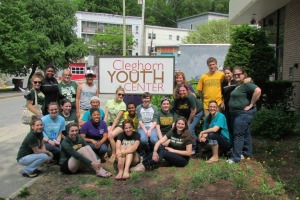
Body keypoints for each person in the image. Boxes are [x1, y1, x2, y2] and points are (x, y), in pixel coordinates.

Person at [227, 67, 261, 164]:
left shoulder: (246, 84)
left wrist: (251, 104)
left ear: (243, 74)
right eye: (235, 74)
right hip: (236, 113)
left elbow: (258, 90)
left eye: (239, 74)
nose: (236, 75)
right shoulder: (239, 85)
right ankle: (247, 153)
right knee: (245, 133)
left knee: (238, 134)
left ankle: (235, 158)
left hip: (242, 113)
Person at [173, 84, 203, 152]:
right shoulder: (177, 99)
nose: (182, 92)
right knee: (183, 128)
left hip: (197, 113)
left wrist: (188, 122)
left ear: (187, 90)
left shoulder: (190, 97)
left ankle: (195, 146)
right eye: (180, 91)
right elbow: (174, 110)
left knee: (189, 128)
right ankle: (193, 143)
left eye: (183, 90)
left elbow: (193, 111)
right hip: (187, 113)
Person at [104, 86, 126, 162]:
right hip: (111, 123)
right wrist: (104, 125)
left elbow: (117, 119)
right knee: (105, 133)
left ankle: (113, 153)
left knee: (110, 135)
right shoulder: (109, 102)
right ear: (116, 94)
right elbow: (106, 115)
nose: (121, 96)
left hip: (120, 124)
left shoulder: (123, 104)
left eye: (123, 95)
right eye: (119, 94)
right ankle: (104, 152)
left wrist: (111, 130)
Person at [220, 67, 236, 133]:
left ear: (232, 73)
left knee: (234, 125)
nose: (227, 75)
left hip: (234, 107)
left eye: (228, 73)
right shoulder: (224, 83)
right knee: (228, 125)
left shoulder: (236, 82)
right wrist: (223, 102)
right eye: (225, 73)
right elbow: (223, 94)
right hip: (226, 107)